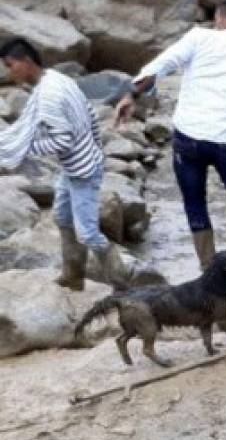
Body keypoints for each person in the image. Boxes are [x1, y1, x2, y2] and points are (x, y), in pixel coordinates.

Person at [115, 0, 226, 275]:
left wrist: (132, 95)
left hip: (188, 139)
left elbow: (161, 65)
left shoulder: (199, 38)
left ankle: (208, 269)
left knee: (195, 204)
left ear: (224, 19)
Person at [0, 38, 130, 289]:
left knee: (88, 233)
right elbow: (89, 112)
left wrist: (26, 149)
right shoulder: (57, 78)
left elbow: (62, 141)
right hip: (74, 165)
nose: (8, 72)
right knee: (61, 216)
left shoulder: (49, 95)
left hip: (82, 169)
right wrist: (93, 147)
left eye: (10, 65)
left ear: (26, 62)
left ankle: (122, 283)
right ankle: (73, 274)